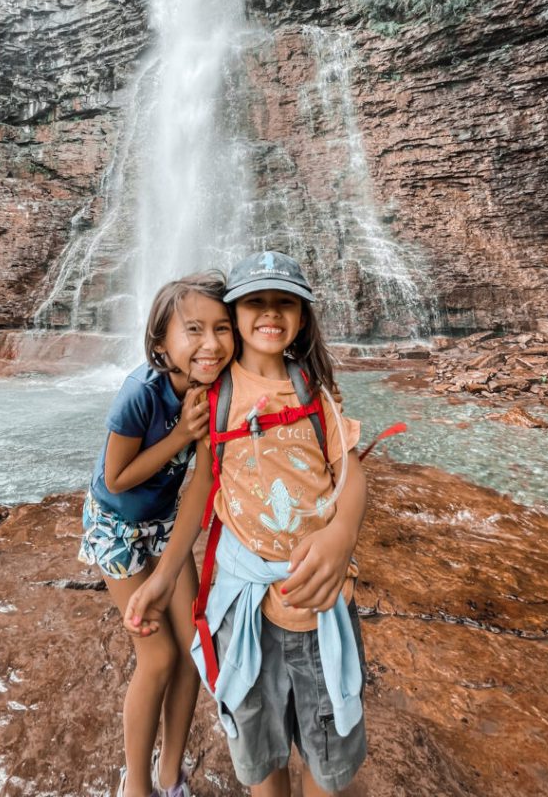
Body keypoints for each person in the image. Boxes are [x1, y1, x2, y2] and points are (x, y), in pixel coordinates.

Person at [124, 251, 368, 797]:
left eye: (285, 303)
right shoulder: (214, 397)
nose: (270, 313)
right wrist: (163, 578)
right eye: (255, 301)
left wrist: (340, 534)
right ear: (235, 315)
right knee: (261, 758)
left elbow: (349, 473)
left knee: (332, 763)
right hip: (245, 608)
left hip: (321, 605)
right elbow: (203, 489)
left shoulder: (313, 391)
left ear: (302, 318)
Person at [79, 272, 235, 797]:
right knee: (160, 655)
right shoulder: (138, 395)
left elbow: (206, 479)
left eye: (222, 328)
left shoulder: (217, 394)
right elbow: (117, 477)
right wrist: (180, 436)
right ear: (161, 343)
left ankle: (171, 774)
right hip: (117, 525)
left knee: (194, 645)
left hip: (165, 524)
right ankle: (136, 786)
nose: (210, 343)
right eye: (193, 329)